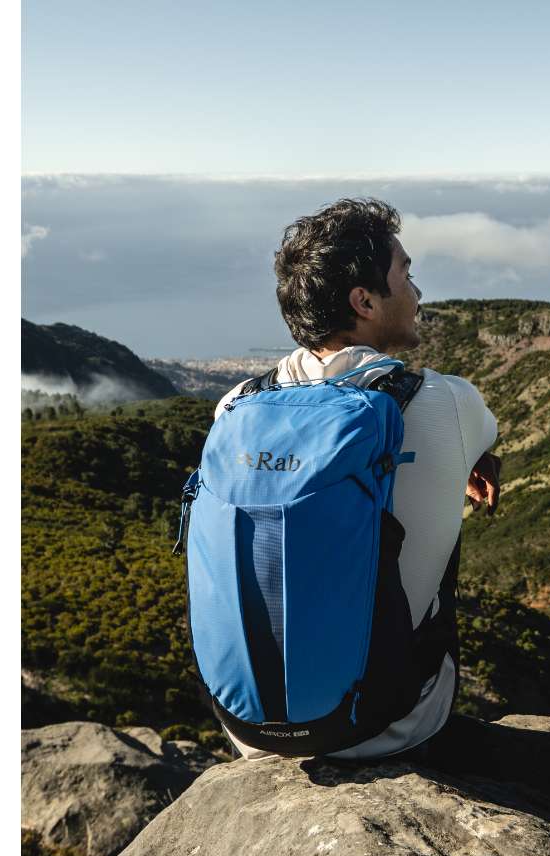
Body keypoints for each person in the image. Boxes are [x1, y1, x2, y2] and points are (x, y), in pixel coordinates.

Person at [189, 198, 500, 760]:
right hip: (387, 726)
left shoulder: (235, 407)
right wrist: (477, 459)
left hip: (248, 728)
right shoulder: (450, 403)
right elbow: (485, 434)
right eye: (405, 273)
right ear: (365, 301)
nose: (417, 291)